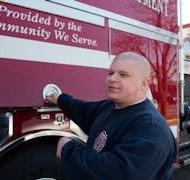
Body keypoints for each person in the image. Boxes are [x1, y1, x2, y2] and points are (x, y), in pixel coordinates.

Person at [46, 52, 177, 180]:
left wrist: (68, 149)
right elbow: (81, 110)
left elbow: (119, 173)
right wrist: (59, 99)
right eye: (111, 73)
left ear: (143, 84)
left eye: (123, 75)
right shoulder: (109, 107)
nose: (112, 78)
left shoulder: (150, 127)